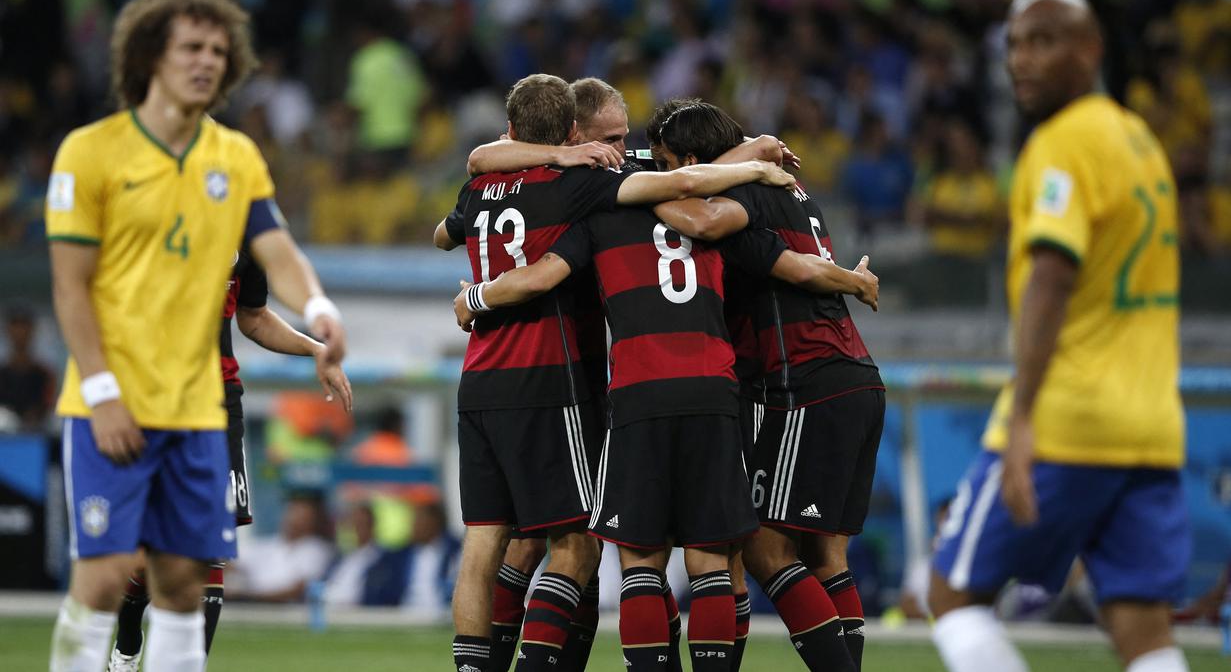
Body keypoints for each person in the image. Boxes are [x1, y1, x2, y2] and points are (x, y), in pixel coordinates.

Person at [433, 72, 793, 672]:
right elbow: (687, 181)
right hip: (565, 379)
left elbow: (449, 224)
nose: (626, 150)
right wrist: (755, 162)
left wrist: (474, 298)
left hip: (496, 378)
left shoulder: (491, 185)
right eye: (615, 138)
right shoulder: (589, 189)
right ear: (578, 134)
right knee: (598, 545)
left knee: (503, 541)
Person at [45, 0, 345, 672]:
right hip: (112, 399)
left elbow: (278, 253)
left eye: (218, 49)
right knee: (104, 573)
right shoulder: (90, 154)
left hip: (202, 409)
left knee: (185, 581)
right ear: (151, 54)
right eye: (191, 47)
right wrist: (100, 391)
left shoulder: (234, 157)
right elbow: (70, 289)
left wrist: (321, 315)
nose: (208, 60)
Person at [927, 0, 1190, 672]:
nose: (1022, 60)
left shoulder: (1061, 143)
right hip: (1149, 427)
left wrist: (1021, 418)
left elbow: (1052, 273)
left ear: (1090, 49)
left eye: (1043, 41)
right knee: (1142, 626)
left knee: (951, 595)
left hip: (1066, 420)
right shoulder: (1139, 141)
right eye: (1014, 44)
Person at [648, 102, 884, 672]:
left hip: (804, 381)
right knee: (825, 552)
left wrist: (637, 188)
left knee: (762, 546)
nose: (669, 177)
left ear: (691, 161)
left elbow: (710, 224)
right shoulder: (790, 189)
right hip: (854, 376)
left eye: (669, 165)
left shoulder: (745, 195)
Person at [107, 243, 353, 670]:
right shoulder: (161, 212)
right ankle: (128, 627)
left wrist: (315, 348)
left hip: (219, 405)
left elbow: (254, 318)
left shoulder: (244, 230)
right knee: (159, 547)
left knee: (211, 545)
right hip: (156, 398)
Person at [0, 304, 56, 430]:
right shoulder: (2, 372)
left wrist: (35, 415)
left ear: (32, 329)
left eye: (24, 325)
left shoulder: (44, 373)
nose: (19, 331)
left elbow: (49, 404)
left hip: (39, 431)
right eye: (15, 325)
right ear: (7, 330)